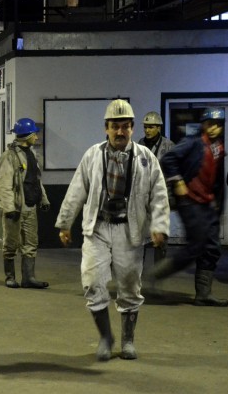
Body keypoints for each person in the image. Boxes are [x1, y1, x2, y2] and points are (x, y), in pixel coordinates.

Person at [55, 99, 170, 361]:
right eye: (115, 126)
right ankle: (106, 337)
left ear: (131, 128)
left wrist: (159, 226)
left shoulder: (145, 158)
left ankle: (128, 340)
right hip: (98, 227)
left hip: (129, 231)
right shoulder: (93, 155)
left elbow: (159, 194)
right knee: (92, 282)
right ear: (106, 128)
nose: (120, 132)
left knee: (129, 286)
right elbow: (77, 190)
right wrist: (64, 223)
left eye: (125, 127)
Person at [154, 107, 228, 307]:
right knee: (196, 245)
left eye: (218, 125)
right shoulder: (193, 142)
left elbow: (218, 178)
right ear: (203, 124)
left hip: (208, 202)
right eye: (210, 124)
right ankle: (155, 276)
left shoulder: (219, 147)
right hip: (190, 200)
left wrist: (217, 203)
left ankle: (203, 294)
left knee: (212, 247)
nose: (214, 128)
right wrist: (177, 181)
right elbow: (168, 159)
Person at [0, 117, 50, 289]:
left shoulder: (31, 154)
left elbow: (35, 180)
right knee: (11, 243)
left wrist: (44, 198)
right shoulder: (9, 157)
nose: (37, 137)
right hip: (16, 207)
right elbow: (4, 184)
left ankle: (28, 278)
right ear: (28, 135)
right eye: (35, 134)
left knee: (31, 243)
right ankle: (10, 277)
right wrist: (9, 208)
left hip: (30, 206)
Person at [138, 111, 175, 264]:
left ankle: (159, 267)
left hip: (161, 195)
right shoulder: (139, 144)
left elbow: (174, 170)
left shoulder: (169, 146)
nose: (147, 130)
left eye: (151, 127)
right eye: (146, 127)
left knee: (160, 232)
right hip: (143, 196)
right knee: (140, 234)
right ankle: (137, 266)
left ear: (159, 128)